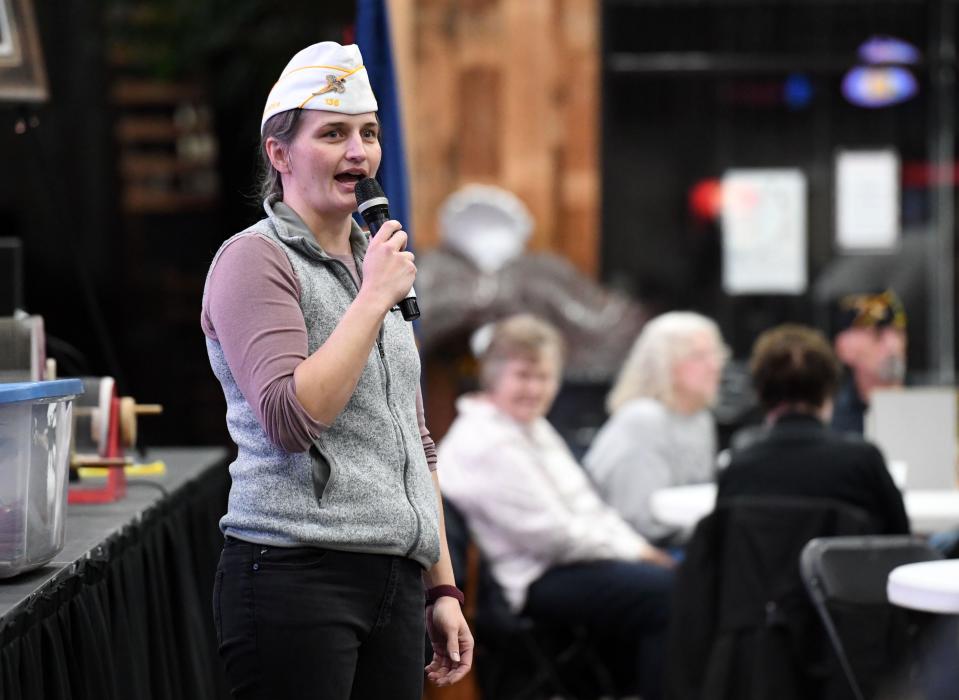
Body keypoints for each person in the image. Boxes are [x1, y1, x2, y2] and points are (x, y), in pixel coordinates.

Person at [200, 42, 472, 699]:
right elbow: (293, 419)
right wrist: (374, 298)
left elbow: (414, 444)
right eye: (333, 134)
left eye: (368, 134)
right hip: (296, 572)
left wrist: (440, 583)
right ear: (278, 153)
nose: (360, 152)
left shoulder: (371, 260)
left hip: (392, 577)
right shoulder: (254, 261)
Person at [437, 314, 674, 700]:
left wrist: (641, 551)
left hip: (572, 562)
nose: (535, 389)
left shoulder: (531, 426)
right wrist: (639, 553)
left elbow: (589, 508)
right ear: (493, 377)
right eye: (523, 376)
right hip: (532, 578)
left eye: (544, 377)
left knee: (680, 579)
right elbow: (554, 537)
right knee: (669, 592)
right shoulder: (483, 442)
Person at [719, 323, 909, 534]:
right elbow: (900, 540)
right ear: (829, 390)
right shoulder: (863, 462)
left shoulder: (738, 468)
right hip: (846, 568)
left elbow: (722, 551)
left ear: (761, 391)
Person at [583, 311, 726, 543]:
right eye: (699, 356)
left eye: (716, 353)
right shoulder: (642, 419)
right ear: (664, 364)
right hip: (633, 550)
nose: (714, 365)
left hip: (680, 542)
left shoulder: (701, 419)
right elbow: (637, 520)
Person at [831, 289, 908, 434]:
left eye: (899, 332)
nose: (894, 345)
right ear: (844, 346)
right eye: (877, 335)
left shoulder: (935, 409)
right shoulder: (831, 421)